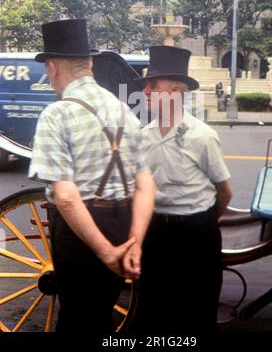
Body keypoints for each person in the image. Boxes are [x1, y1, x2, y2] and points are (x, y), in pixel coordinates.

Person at [28, 19, 156, 333]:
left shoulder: (56, 114)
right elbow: (146, 185)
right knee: (99, 313)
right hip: (122, 223)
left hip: (81, 234)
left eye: (48, 70)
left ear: (54, 67)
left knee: (76, 318)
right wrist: (134, 243)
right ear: (89, 64)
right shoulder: (123, 109)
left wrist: (105, 252)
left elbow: (67, 197)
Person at [127, 45, 233, 335]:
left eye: (152, 84)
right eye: (145, 85)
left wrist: (200, 222)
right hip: (156, 235)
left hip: (196, 237)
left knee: (195, 312)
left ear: (174, 91)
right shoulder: (143, 137)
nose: (145, 91)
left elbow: (225, 193)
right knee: (154, 311)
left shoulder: (202, 136)